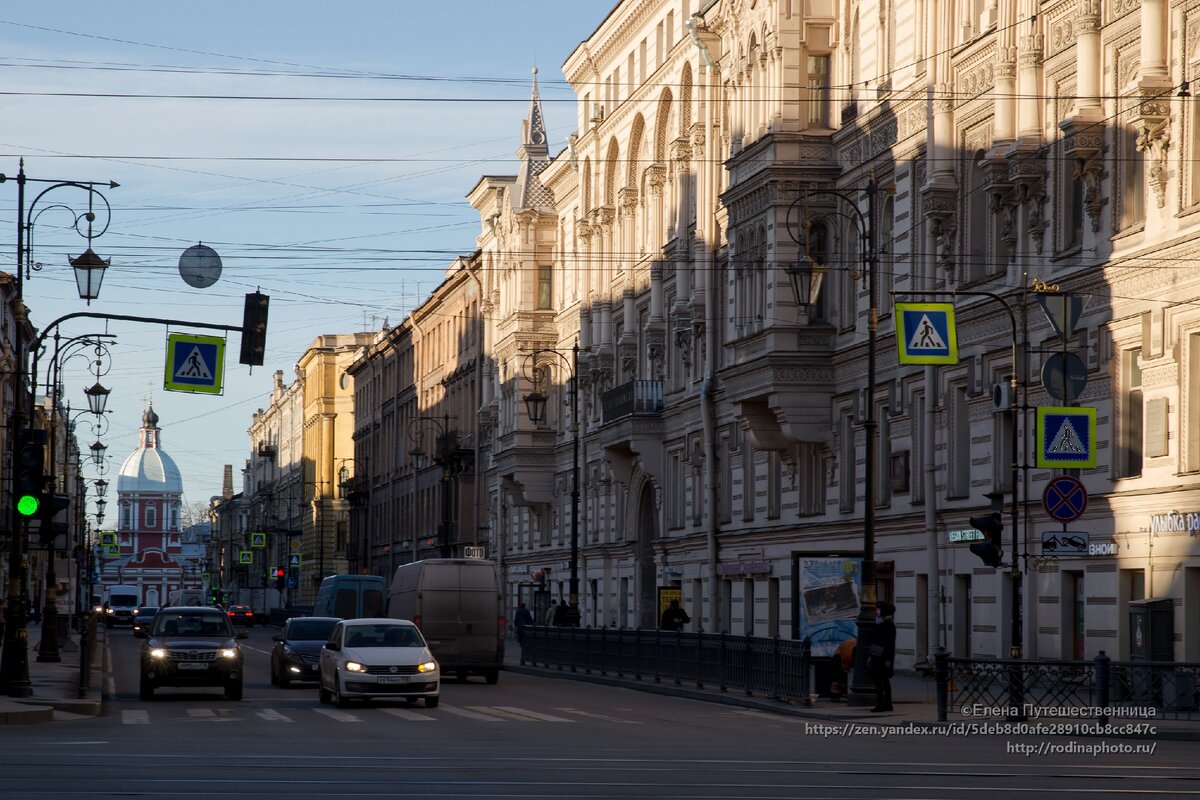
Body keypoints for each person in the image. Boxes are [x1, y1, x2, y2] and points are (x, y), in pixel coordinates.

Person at [870, 601, 897, 712]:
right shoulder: (882, 623)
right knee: (882, 681)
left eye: (878, 609)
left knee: (881, 681)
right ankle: (886, 704)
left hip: (882, 656)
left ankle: (882, 704)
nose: (876, 611)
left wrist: (887, 659)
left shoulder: (887, 624)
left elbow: (888, 643)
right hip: (879, 655)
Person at [829, 637, 856, 702]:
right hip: (838, 658)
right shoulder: (851, 649)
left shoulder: (854, 645)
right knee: (838, 679)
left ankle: (835, 695)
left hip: (840, 656)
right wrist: (846, 668)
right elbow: (846, 658)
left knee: (839, 679)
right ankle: (834, 696)